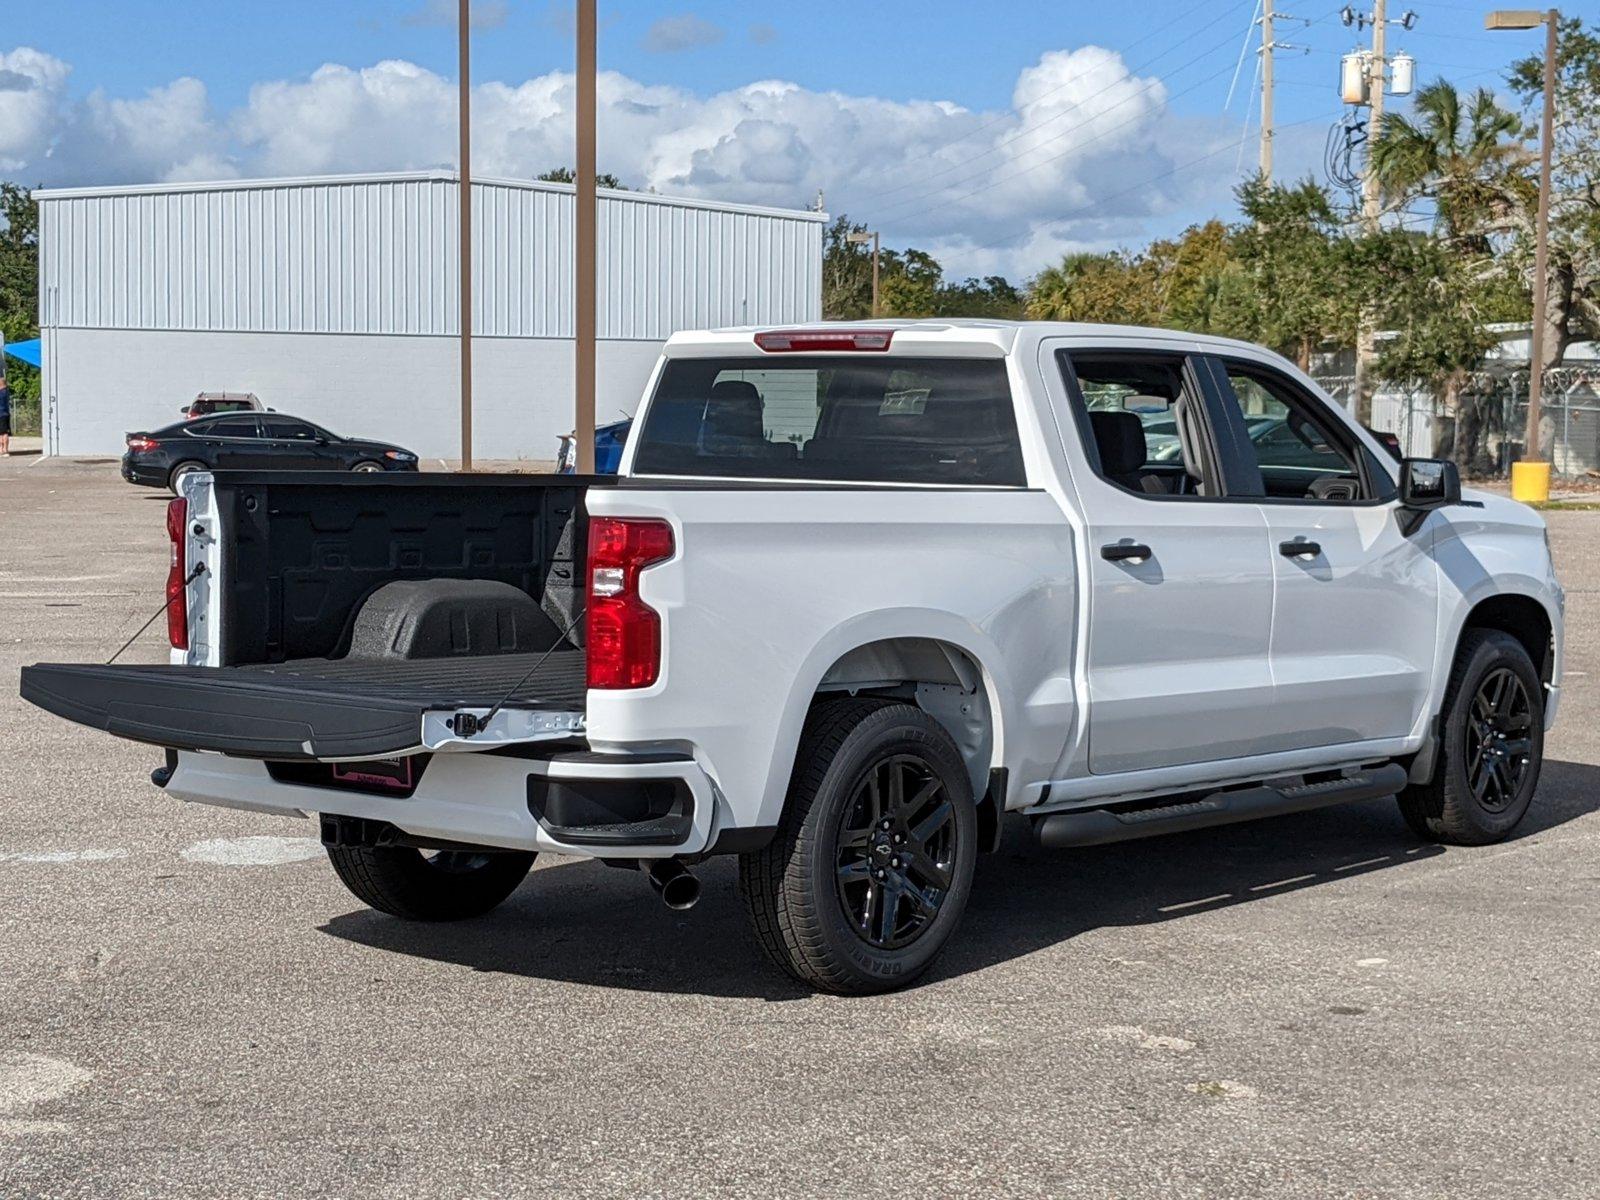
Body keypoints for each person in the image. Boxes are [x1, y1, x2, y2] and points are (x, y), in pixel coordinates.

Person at [0, 375, 11, 456]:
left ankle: (4, 450)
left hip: (2, 414)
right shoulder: (6, 392)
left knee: (3, 433)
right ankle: (3, 449)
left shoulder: (3, 393)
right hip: (4, 414)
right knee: (2, 433)